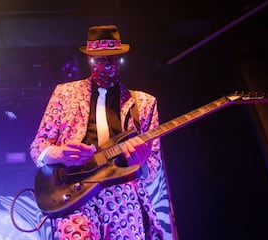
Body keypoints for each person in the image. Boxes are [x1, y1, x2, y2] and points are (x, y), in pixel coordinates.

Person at [30, 25, 171, 239]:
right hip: (75, 191)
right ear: (89, 59)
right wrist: (56, 154)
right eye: (100, 60)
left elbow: (153, 166)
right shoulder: (64, 93)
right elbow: (38, 146)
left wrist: (141, 164)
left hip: (124, 195)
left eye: (113, 60)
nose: (107, 65)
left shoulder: (144, 103)